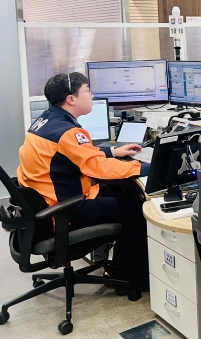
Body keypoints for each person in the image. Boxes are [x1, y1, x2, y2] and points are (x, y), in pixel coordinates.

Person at [17, 72, 150, 289]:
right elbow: (100, 169)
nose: (92, 95)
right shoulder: (68, 132)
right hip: (65, 210)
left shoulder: (45, 122)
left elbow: (71, 153)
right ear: (71, 99)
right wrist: (147, 167)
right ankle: (128, 276)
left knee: (125, 194)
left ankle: (122, 265)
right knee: (138, 209)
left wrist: (112, 151)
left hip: (48, 202)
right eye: (88, 91)